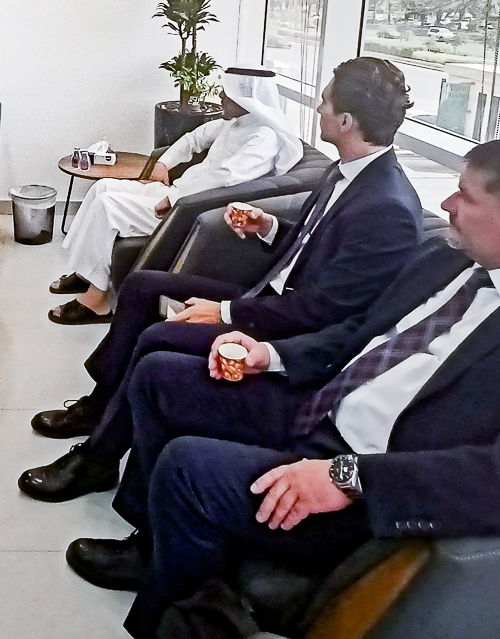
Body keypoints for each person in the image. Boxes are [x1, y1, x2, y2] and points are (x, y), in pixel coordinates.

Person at [66, 138, 500, 639]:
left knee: (190, 468)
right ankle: (151, 552)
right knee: (165, 378)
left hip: (369, 472)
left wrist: (352, 478)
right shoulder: (448, 261)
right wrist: (270, 355)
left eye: (467, 197)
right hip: (318, 404)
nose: (446, 205)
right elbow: (358, 334)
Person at [22, 58, 421, 505]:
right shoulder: (347, 170)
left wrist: (226, 312)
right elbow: (317, 246)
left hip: (289, 329)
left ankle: (97, 459)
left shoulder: (386, 208)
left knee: (157, 339)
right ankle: (99, 407)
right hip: (269, 296)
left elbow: (324, 310)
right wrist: (269, 226)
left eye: (325, 102)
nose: (318, 108)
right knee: (141, 286)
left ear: (345, 121)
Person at [48, 68, 303, 326]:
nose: (220, 95)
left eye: (226, 92)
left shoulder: (264, 137)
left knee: (108, 204)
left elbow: (226, 178)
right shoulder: (235, 122)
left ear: (245, 97)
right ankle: (86, 274)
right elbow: (194, 139)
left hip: (190, 209)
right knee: (102, 187)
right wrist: (163, 164)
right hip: (179, 194)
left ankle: (97, 302)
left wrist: (174, 199)